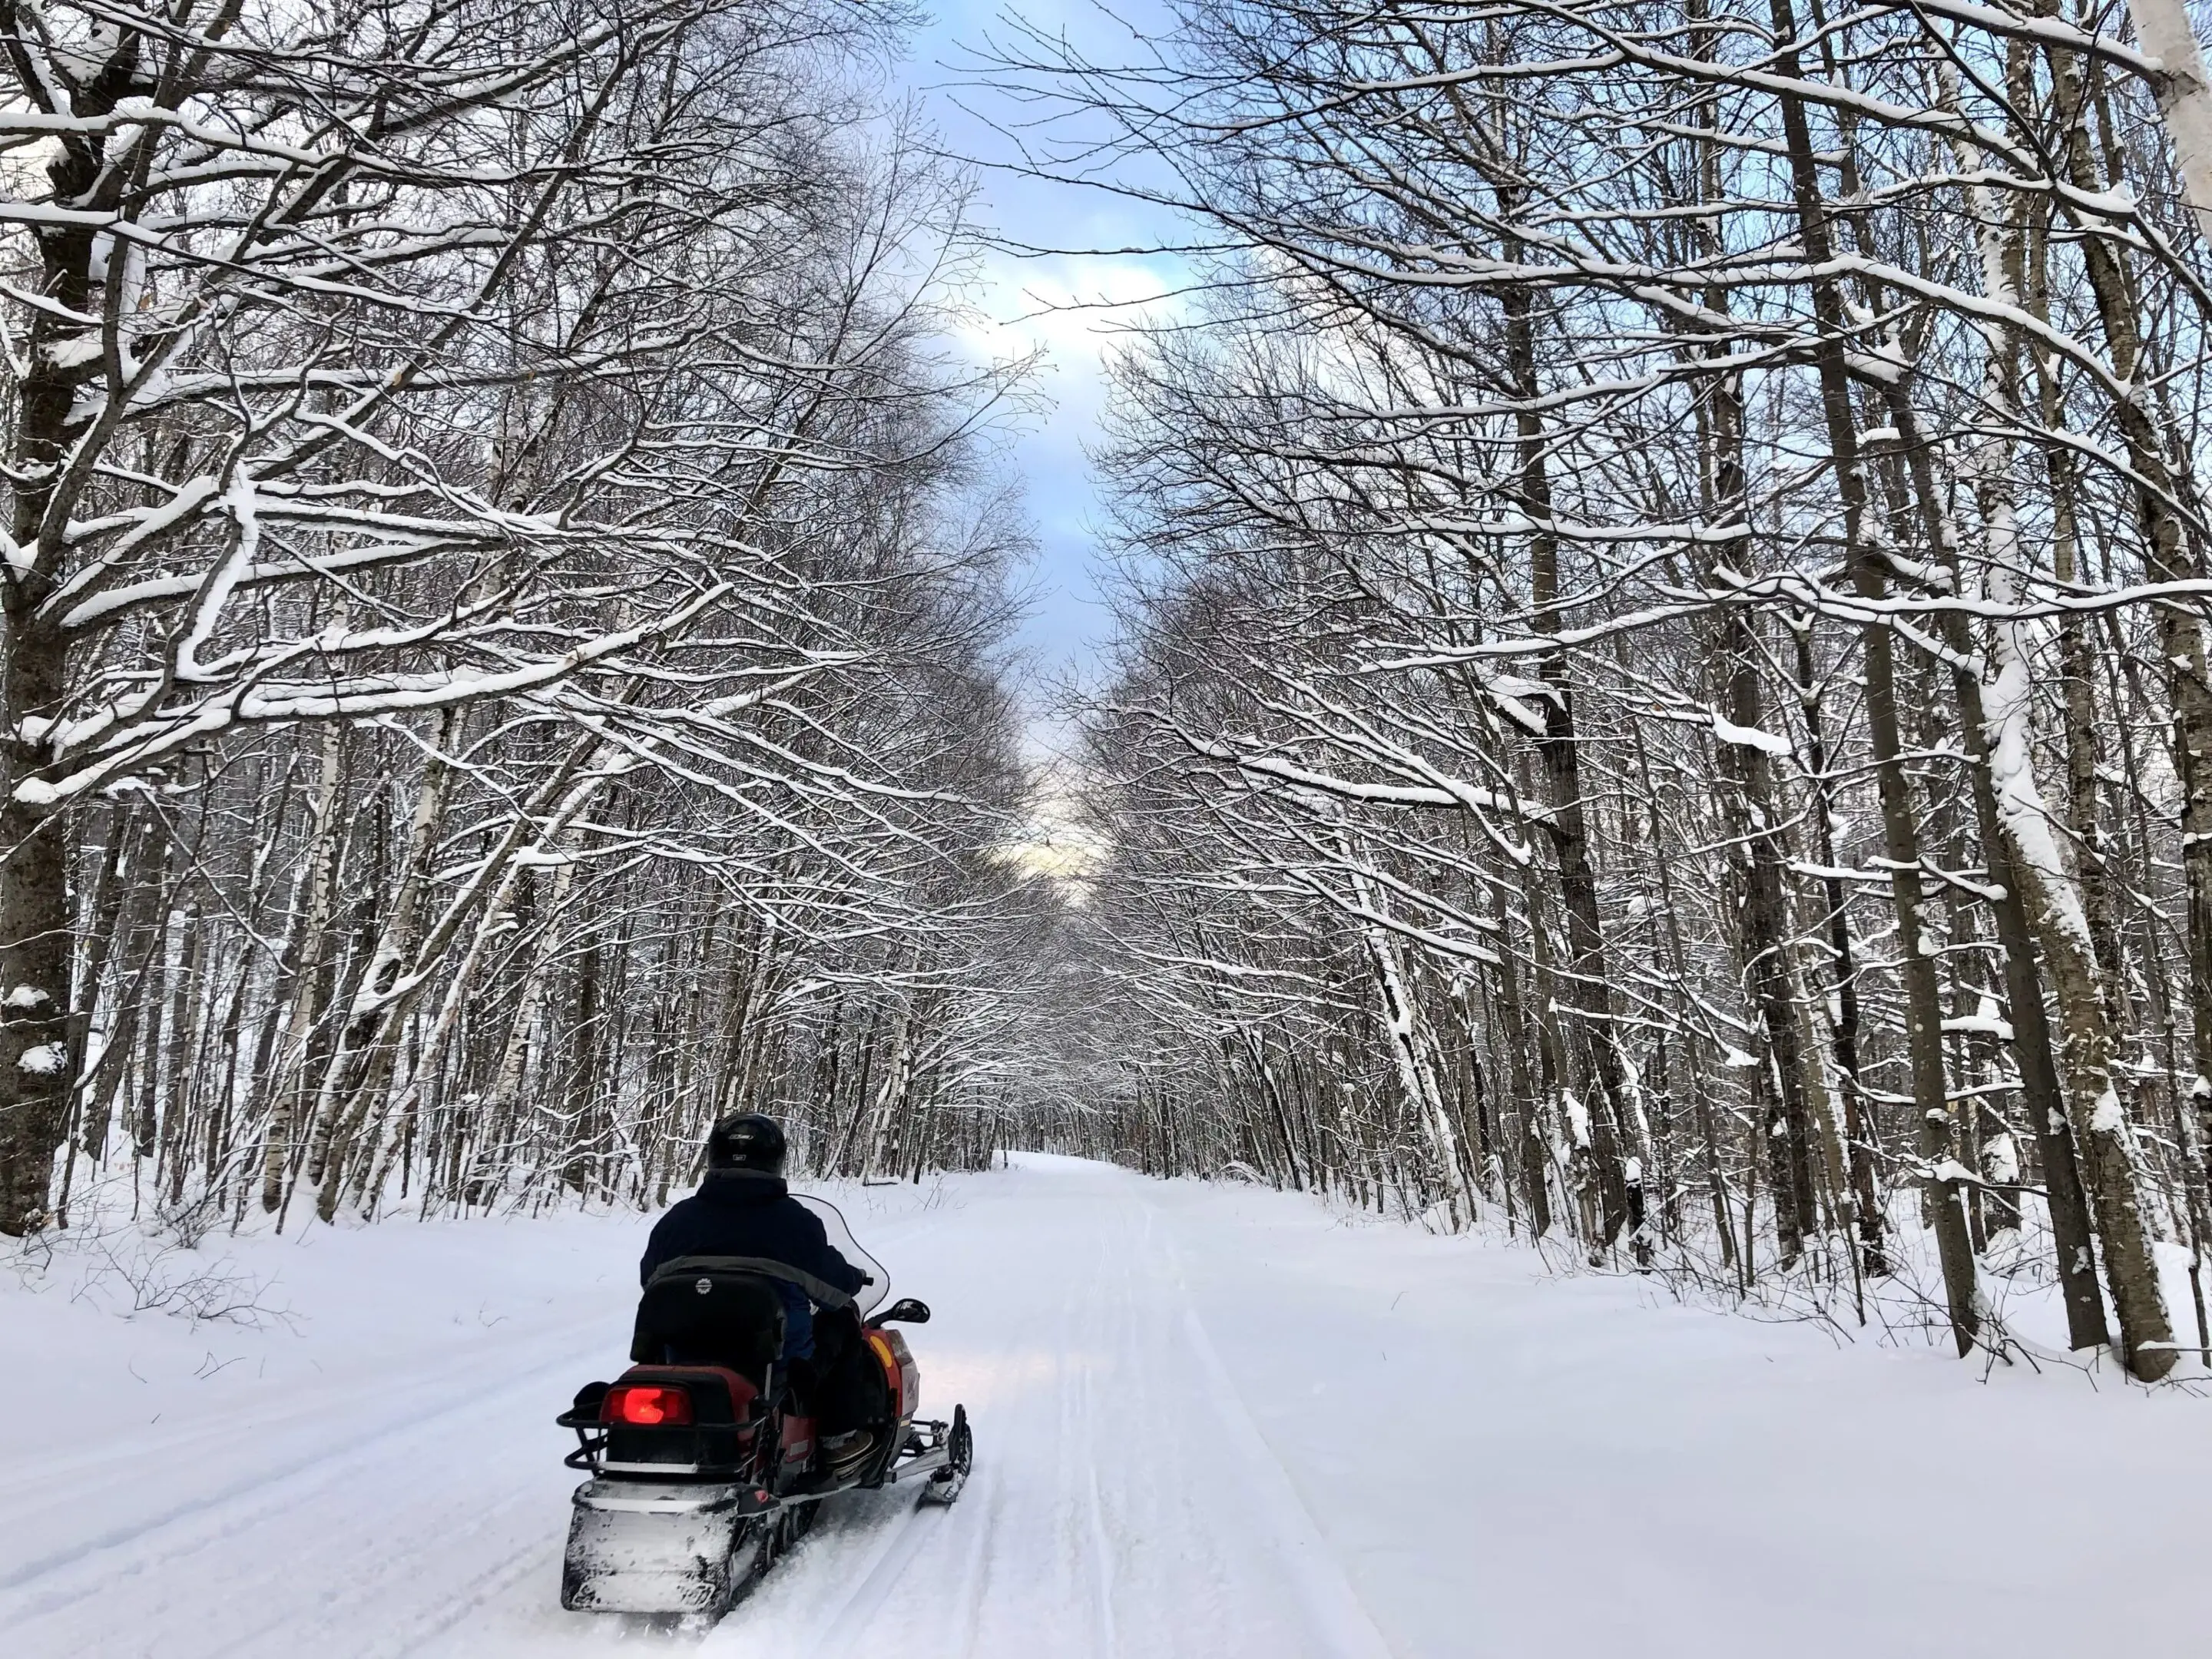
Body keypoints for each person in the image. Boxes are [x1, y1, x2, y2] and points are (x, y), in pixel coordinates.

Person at [640, 1113, 880, 1472]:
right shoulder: (794, 1224)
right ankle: (839, 1436)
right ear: (775, 1161)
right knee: (843, 1319)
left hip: (683, 1355)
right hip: (774, 1360)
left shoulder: (677, 1221)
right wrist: (853, 1279)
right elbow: (833, 1289)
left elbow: (649, 1281)